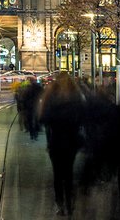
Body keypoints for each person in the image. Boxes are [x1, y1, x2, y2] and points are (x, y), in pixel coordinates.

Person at [39, 72, 84, 216]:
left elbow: (44, 119)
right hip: (71, 141)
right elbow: (83, 117)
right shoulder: (76, 96)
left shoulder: (51, 97)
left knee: (58, 174)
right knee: (69, 173)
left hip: (56, 140)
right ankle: (70, 203)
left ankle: (60, 204)